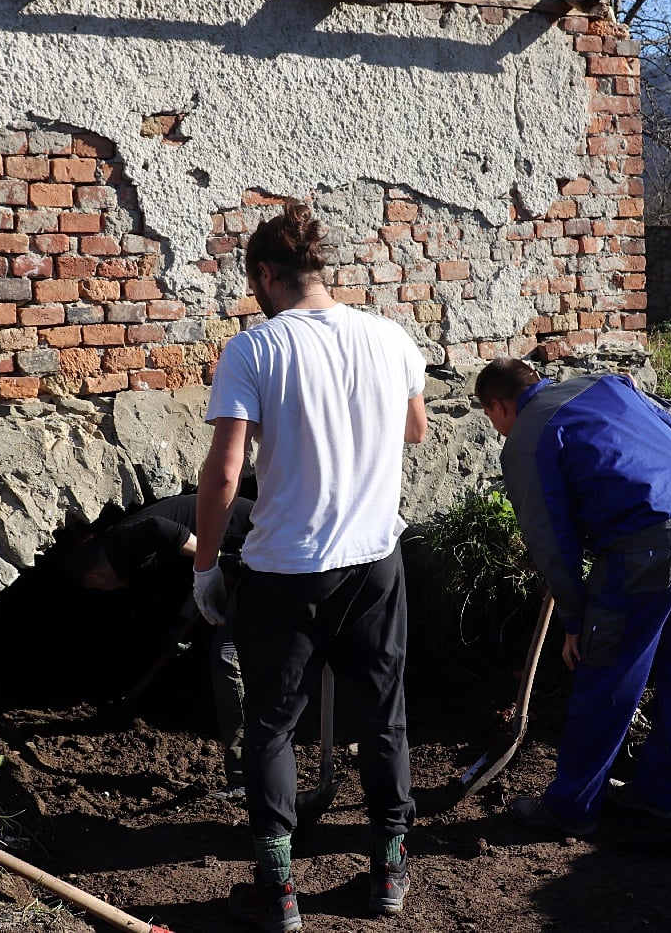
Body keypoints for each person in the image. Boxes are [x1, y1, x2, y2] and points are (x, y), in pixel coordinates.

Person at [190, 201, 429, 932]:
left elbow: (225, 474)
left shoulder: (255, 350)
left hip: (288, 569)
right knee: (383, 719)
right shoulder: (389, 337)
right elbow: (416, 429)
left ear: (266, 274)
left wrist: (204, 567)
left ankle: (280, 890)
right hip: (374, 560)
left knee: (270, 726)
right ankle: (388, 871)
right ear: (320, 269)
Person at [473, 356, 671, 837]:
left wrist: (575, 621)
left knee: (606, 670)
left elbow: (551, 544)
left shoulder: (527, 437)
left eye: (491, 418)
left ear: (499, 406)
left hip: (648, 541)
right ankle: (665, 794)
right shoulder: (602, 385)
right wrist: (631, 392)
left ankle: (570, 809)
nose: (498, 429)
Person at [0, 493, 255, 795]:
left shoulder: (117, 547)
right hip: (244, 544)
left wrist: (218, 559)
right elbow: (196, 575)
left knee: (228, 657)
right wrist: (179, 625)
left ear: (95, 575)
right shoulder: (130, 552)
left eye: (98, 587)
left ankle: (248, 775)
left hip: (253, 540)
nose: (106, 591)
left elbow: (161, 529)